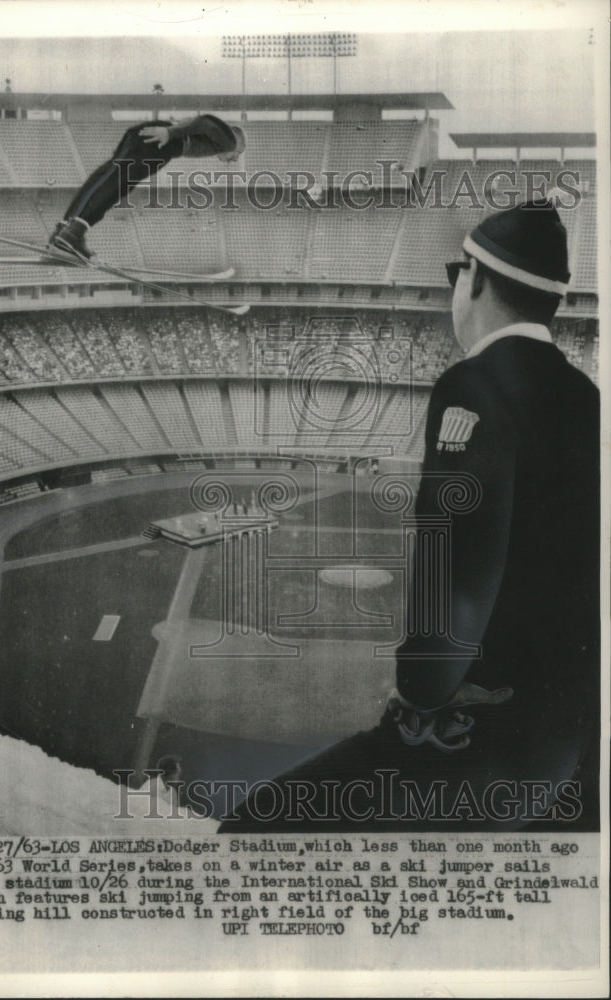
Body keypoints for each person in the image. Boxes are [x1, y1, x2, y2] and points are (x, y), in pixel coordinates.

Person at [219, 199, 600, 831]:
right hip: (568, 742)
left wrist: (418, 693)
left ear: (473, 280)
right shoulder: (587, 397)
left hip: (482, 745)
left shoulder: (473, 385)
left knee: (250, 830)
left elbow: (458, 573)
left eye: (459, 274)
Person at [49, 115, 246, 260]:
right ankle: (72, 233)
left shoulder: (218, 142)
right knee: (113, 186)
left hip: (160, 145)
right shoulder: (229, 142)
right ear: (237, 144)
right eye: (236, 155)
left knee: (111, 182)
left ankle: (64, 231)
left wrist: (172, 131)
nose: (232, 160)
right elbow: (205, 122)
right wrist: (170, 132)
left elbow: (197, 125)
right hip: (160, 142)